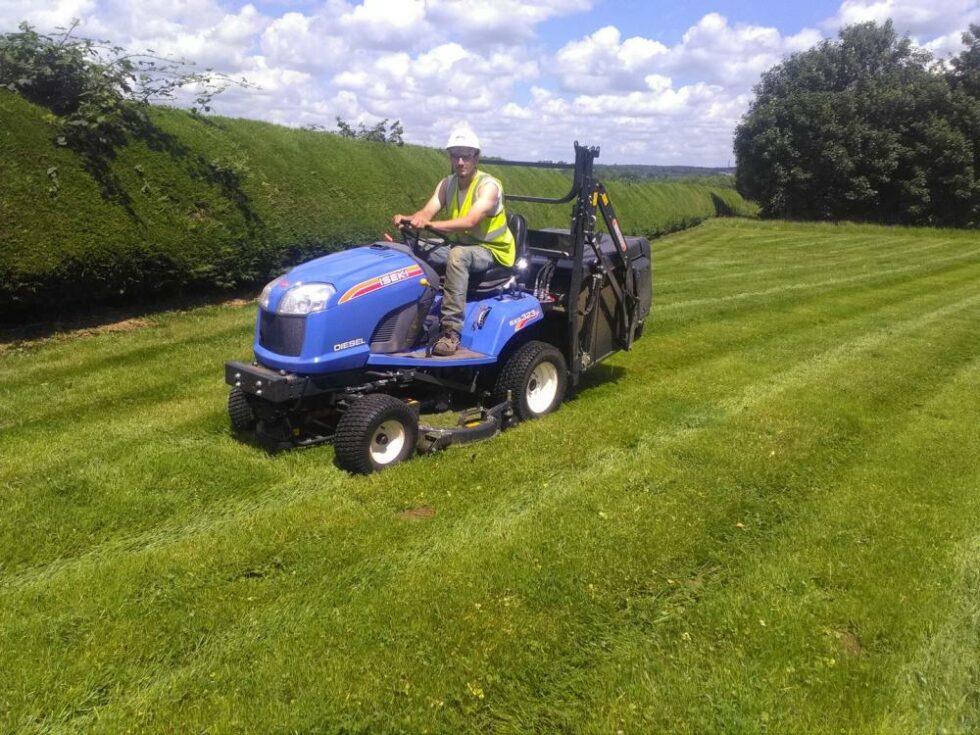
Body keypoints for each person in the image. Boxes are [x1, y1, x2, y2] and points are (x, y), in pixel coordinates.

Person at [392, 124, 515, 356]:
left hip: (491, 252)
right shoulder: (447, 184)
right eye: (456, 155)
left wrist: (430, 225)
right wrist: (409, 220)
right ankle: (406, 314)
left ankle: (451, 333)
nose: (460, 162)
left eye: (466, 156)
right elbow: (426, 214)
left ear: (476, 158)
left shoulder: (489, 187)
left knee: (458, 255)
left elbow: (470, 221)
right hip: (464, 246)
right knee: (411, 247)